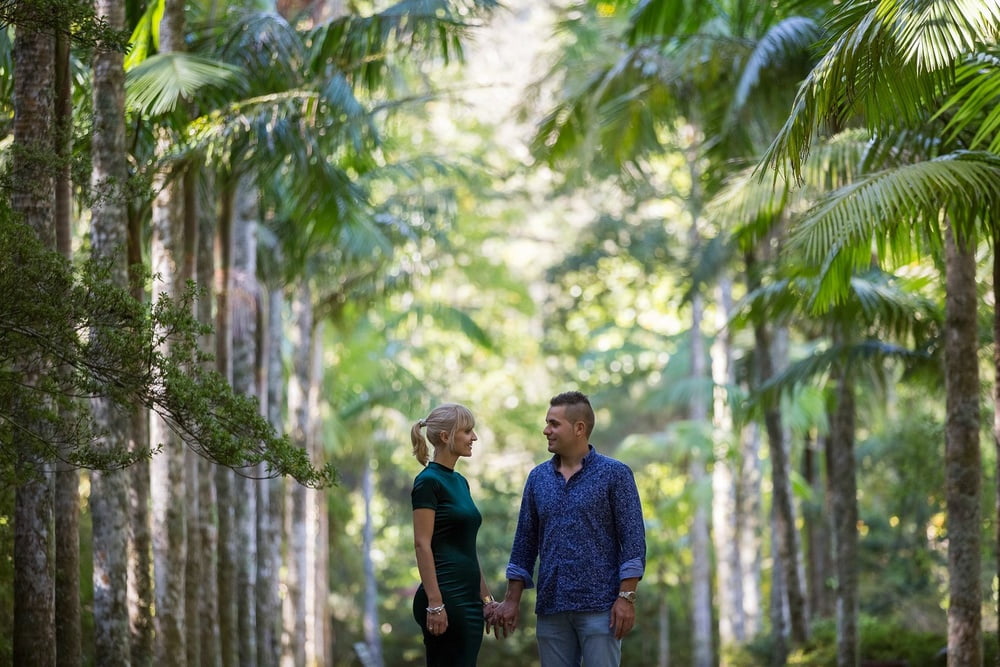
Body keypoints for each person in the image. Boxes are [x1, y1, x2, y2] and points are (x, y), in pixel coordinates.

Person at [492, 391, 646, 666]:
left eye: (553, 424)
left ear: (579, 428)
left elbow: (633, 542)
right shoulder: (538, 478)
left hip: (601, 608)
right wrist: (511, 601)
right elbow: (524, 543)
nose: (546, 430)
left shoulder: (615, 474)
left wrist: (626, 598)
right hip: (551, 608)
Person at [411, 403, 500, 666]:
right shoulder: (428, 482)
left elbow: (466, 549)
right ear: (445, 436)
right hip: (445, 599)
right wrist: (435, 604)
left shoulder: (460, 482)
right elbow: (421, 544)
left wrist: (486, 599)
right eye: (467, 431)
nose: (474, 437)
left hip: (468, 600)